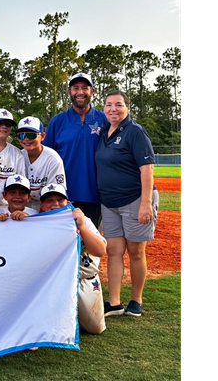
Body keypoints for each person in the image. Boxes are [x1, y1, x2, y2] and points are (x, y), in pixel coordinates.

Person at [95, 90, 158, 318]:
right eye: (109, 105)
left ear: (127, 108)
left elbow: (147, 169)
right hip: (109, 202)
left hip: (134, 200)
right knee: (113, 251)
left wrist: (145, 203)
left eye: (118, 105)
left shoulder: (134, 132)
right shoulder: (103, 132)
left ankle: (136, 300)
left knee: (136, 251)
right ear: (103, 109)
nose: (113, 109)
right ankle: (113, 302)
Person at [38, 182, 108, 334]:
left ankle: (74, 312)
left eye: (60, 200)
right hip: (53, 282)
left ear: (68, 203)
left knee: (95, 328)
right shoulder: (37, 222)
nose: (55, 204)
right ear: (42, 205)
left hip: (84, 279)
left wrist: (82, 227)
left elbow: (101, 250)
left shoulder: (81, 219)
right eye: (49, 200)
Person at [42, 73, 108, 229]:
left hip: (95, 193)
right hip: (62, 195)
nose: (80, 92)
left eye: (85, 88)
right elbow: (46, 156)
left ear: (92, 91)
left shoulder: (104, 119)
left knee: (90, 244)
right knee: (63, 241)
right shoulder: (57, 121)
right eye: (76, 88)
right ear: (68, 91)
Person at [16, 116, 66, 213]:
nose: (26, 139)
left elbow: (55, 195)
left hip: (47, 208)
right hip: (22, 208)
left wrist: (36, 217)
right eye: (21, 135)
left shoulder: (53, 159)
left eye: (31, 135)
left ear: (42, 136)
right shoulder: (18, 156)